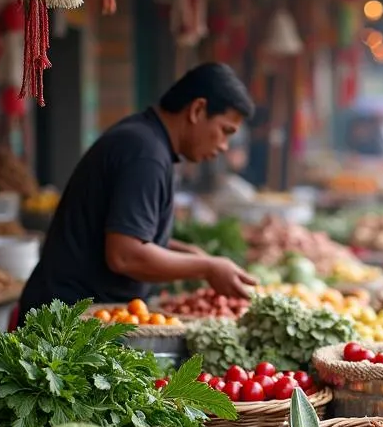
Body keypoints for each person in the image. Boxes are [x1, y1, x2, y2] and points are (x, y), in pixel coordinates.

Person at [19, 63, 258, 318]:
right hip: (63, 321)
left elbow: (131, 234)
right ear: (197, 110)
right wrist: (206, 268)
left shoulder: (147, 141)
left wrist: (192, 256)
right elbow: (125, 255)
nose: (224, 146)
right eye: (225, 131)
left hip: (80, 314)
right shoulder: (146, 154)